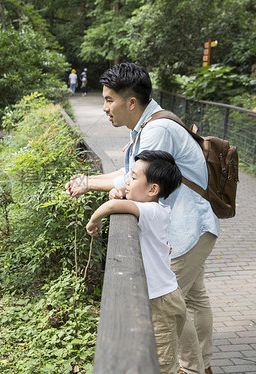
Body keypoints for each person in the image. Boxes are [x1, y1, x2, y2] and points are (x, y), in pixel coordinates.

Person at [65, 62, 218, 374]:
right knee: (192, 301)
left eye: (109, 100)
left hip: (187, 229)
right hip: (192, 226)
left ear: (130, 102)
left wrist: (93, 185)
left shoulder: (157, 130)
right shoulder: (148, 125)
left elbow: (133, 180)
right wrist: (91, 182)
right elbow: (129, 175)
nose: (104, 107)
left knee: (170, 306)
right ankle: (201, 366)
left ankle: (190, 368)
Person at [86, 150, 186, 374]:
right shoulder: (155, 208)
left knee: (163, 365)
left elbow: (112, 207)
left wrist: (94, 220)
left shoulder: (150, 211)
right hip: (162, 296)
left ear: (152, 189)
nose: (127, 181)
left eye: (132, 177)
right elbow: (122, 200)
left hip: (161, 303)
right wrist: (124, 192)